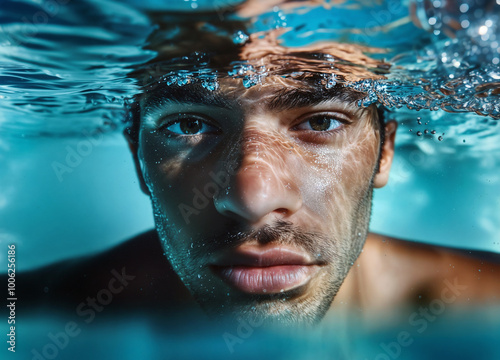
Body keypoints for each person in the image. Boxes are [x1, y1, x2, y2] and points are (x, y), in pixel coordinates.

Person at [14, 2, 500, 328]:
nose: (253, 199)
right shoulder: (28, 313)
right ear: (138, 160)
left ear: (384, 151)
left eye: (323, 121)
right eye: (187, 126)